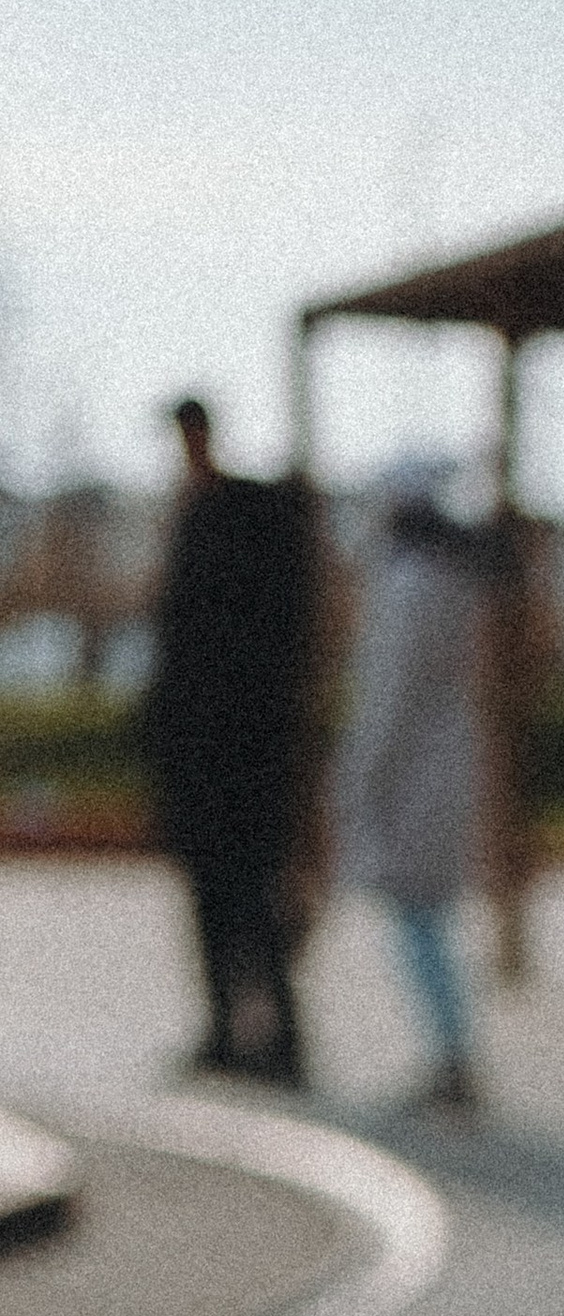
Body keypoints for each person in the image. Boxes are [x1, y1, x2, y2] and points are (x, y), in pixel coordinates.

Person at [141, 397, 321, 1086]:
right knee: (230, 901)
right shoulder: (223, 521)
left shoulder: (228, 522)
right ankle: (237, 1031)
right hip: (228, 757)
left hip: (229, 758)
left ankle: (265, 1035)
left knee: (243, 900)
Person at [334, 460, 497, 1118]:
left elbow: (387, 705)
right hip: (442, 765)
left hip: (413, 778)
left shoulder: (408, 587)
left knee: (419, 922)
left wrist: (356, 784)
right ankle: (452, 1052)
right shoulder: (452, 582)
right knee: (427, 919)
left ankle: (451, 1056)